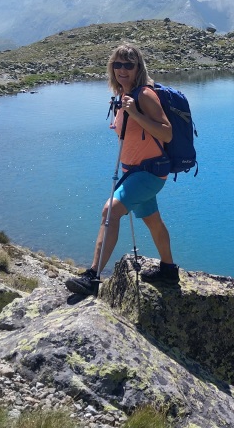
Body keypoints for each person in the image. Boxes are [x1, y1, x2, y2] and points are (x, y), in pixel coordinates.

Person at [65, 44, 180, 295]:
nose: (122, 70)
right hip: (134, 173)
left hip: (149, 173)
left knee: (110, 211)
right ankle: (169, 270)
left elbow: (167, 133)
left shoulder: (145, 95)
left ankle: (92, 276)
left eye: (129, 65)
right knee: (153, 221)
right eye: (117, 64)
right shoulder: (122, 96)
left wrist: (135, 113)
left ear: (139, 68)